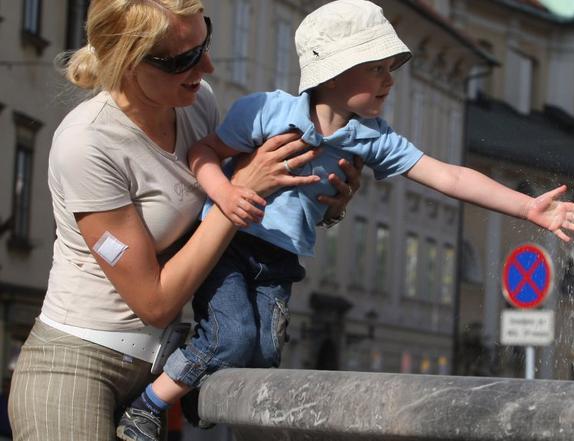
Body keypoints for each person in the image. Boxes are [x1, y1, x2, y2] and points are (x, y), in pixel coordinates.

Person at [118, 0, 574, 439]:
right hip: (227, 246)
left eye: (391, 69)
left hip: (280, 263)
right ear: (333, 72)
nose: (390, 80)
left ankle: (202, 388)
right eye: (377, 69)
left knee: (263, 355)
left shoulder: (371, 139)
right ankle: (147, 404)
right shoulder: (266, 110)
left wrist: (526, 207)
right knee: (232, 336)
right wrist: (224, 193)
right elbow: (204, 152)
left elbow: (447, 176)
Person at [7, 1, 362, 440]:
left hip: (160, 368)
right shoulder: (88, 143)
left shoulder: (196, 104)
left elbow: (249, 209)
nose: (207, 67)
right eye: (185, 59)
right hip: (77, 367)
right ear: (128, 61)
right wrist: (241, 195)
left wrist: (324, 199)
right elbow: (153, 301)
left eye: (204, 44)